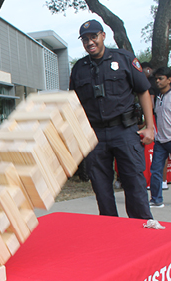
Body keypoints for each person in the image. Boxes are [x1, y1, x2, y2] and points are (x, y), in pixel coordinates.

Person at [69, 20, 155, 219]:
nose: (90, 42)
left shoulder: (124, 59)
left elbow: (143, 90)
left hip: (124, 131)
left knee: (134, 183)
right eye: (85, 39)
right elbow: (74, 104)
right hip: (95, 135)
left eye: (93, 37)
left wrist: (150, 127)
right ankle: (111, 234)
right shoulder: (79, 69)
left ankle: (142, 230)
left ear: (103, 36)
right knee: (101, 188)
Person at [149, 67, 171, 208]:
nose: (157, 81)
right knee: (155, 170)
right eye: (156, 78)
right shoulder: (158, 97)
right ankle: (156, 199)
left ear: (169, 80)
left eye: (161, 78)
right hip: (160, 141)